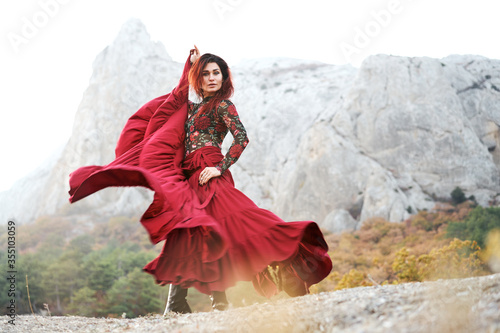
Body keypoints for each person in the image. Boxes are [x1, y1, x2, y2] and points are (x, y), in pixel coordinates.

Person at [68, 46, 332, 314]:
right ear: (199, 78)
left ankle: (289, 270)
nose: (212, 77)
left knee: (243, 224)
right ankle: (182, 304)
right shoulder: (189, 109)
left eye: (217, 72)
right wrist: (188, 65)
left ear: (224, 77)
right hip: (190, 180)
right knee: (189, 235)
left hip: (211, 175)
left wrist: (220, 166)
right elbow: (172, 101)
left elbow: (242, 138)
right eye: (205, 73)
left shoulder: (223, 105)